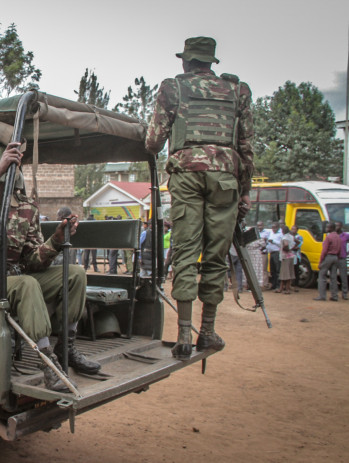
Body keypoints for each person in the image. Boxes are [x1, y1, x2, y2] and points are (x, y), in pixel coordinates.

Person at [0, 143, 101, 391]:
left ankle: (67, 346)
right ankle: (48, 364)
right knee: (27, 283)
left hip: (12, 280)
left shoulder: (25, 209)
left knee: (74, 274)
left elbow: (32, 260)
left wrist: (55, 240)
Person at [145, 37, 254, 359]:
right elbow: (246, 146)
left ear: (185, 62)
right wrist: (244, 192)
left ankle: (182, 335)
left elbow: (153, 141)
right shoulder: (237, 91)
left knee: (186, 253)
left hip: (186, 175)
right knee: (216, 257)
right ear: (211, 62)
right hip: (226, 178)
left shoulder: (173, 88)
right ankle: (207, 332)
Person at [314, 222, 341, 301]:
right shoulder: (338, 237)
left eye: (327, 228)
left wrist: (320, 262)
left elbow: (324, 251)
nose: (326, 229)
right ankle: (334, 296)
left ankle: (322, 296)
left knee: (322, 276)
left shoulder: (328, 237)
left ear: (330, 228)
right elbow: (340, 249)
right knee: (333, 277)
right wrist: (337, 258)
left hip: (328, 257)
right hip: (335, 257)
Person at [264, 222, 283, 290]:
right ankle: (273, 284)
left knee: (277, 269)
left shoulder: (280, 234)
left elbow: (281, 244)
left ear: (278, 227)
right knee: (272, 270)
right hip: (271, 253)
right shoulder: (271, 233)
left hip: (277, 252)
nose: (273, 229)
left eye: (275, 227)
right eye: (272, 227)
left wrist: (273, 241)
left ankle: (278, 285)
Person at [277, 225, 295, 294]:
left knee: (284, 274)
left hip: (285, 257)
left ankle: (286, 289)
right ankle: (282, 288)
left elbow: (286, 244)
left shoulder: (284, 237)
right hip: (291, 256)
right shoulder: (291, 236)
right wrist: (291, 249)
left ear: (283, 231)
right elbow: (297, 242)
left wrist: (285, 249)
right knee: (289, 273)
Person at [336, 222, 348, 300]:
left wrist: (347, 252)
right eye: (335, 225)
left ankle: (344, 293)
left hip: (342, 257)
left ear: (341, 226)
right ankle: (334, 294)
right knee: (333, 276)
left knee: (343, 276)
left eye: (338, 225)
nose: (337, 227)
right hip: (334, 257)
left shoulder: (346, 235)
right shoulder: (332, 235)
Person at [290, 225, 303, 292]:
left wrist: (292, 247)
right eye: (292, 229)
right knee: (290, 270)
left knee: (296, 270)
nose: (293, 230)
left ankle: (296, 285)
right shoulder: (290, 236)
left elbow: (298, 246)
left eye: (294, 229)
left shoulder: (299, 237)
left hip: (296, 255)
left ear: (297, 230)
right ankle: (290, 284)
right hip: (289, 256)